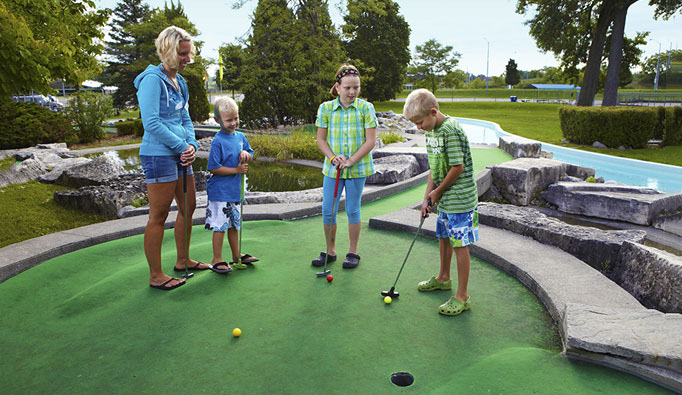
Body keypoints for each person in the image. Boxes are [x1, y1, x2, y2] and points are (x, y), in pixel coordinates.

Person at [134, 26, 209, 291]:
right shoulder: (152, 80)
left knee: (188, 207)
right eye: (182, 53)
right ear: (168, 51)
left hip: (180, 153)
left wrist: (190, 143)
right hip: (158, 154)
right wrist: (180, 146)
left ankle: (182, 260)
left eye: (189, 53)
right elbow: (151, 123)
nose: (188, 58)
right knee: (159, 214)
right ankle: (156, 275)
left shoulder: (181, 82)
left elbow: (184, 117)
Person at [403, 88, 479, 316]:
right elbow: (433, 169)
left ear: (434, 112)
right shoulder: (431, 132)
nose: (418, 127)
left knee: (459, 244)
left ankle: (462, 296)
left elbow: (458, 168)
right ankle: (444, 278)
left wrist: (438, 193)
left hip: (460, 200)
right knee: (444, 238)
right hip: (445, 199)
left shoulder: (450, 131)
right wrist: (428, 196)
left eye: (420, 122)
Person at [312, 64, 376, 269]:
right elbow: (321, 140)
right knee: (328, 211)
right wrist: (333, 158)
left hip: (357, 168)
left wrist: (351, 161)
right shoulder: (326, 108)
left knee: (352, 209)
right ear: (338, 87)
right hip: (333, 169)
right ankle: (330, 251)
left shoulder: (366, 108)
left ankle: (352, 252)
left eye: (356, 87)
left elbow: (370, 141)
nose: (352, 92)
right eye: (348, 88)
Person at [204, 97, 258, 273]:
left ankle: (236, 256)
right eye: (229, 120)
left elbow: (250, 152)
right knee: (220, 227)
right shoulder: (218, 141)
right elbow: (213, 167)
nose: (234, 123)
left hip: (235, 191)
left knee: (234, 226)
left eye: (236, 118)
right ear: (218, 120)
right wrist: (236, 170)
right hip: (220, 193)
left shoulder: (240, 137)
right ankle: (217, 258)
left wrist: (246, 154)